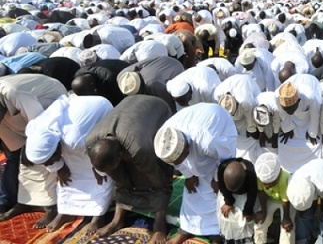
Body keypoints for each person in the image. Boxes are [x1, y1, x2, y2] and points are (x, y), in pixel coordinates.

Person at [86, 95, 174, 244]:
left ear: (121, 155)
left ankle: (159, 223)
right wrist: (120, 179)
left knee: (159, 176)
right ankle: (117, 220)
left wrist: (161, 189)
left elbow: (156, 177)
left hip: (157, 110)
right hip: (129, 109)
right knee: (121, 179)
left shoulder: (139, 147)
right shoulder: (91, 142)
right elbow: (118, 177)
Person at [24, 95, 114, 233]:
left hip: (100, 110)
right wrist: (58, 167)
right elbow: (46, 158)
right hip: (75, 116)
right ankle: (66, 211)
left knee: (98, 174)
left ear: (57, 148)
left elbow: (96, 152)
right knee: (66, 175)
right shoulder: (35, 132)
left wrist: (98, 169)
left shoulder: (75, 140)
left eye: (51, 160)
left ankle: (98, 216)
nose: (49, 165)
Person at [154, 103, 238, 244]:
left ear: (187, 148)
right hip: (195, 123)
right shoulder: (163, 143)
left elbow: (227, 156)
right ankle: (186, 230)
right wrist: (189, 175)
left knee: (216, 193)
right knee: (193, 191)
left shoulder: (208, 141)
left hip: (219, 126)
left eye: (182, 158)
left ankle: (216, 232)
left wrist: (218, 179)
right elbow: (177, 162)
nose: (180, 163)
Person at [0, 74, 67, 227]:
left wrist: (32, 148)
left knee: (40, 152)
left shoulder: (14, 92)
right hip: (16, 111)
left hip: (48, 100)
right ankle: (20, 201)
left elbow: (40, 126)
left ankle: (52, 206)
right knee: (15, 156)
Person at [275, 75, 322, 173]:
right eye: (286, 108)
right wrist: (287, 128)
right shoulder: (277, 96)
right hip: (295, 82)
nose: (288, 111)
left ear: (299, 101)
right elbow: (282, 112)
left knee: (313, 143)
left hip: (311, 83)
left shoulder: (311, 96)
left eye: (290, 108)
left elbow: (315, 115)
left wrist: (312, 132)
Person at [287, 158, 323, 244]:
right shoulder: (293, 182)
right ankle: (302, 241)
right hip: (309, 184)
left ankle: (322, 239)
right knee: (304, 216)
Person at [117, 55, 185, 112]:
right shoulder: (123, 75)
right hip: (162, 60)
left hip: (176, 67)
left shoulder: (153, 84)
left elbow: (168, 104)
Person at [254, 152, 295, 244]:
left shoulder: (285, 177)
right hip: (271, 199)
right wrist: (263, 212)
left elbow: (285, 200)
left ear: (278, 174)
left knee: (287, 228)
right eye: (265, 183)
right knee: (260, 224)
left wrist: (286, 218)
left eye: (271, 183)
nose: (267, 185)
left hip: (286, 203)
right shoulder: (260, 175)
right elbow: (261, 192)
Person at [217, 158, 259, 244]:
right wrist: (228, 202)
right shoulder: (222, 168)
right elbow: (222, 186)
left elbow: (252, 192)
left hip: (245, 195)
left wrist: (248, 211)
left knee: (245, 222)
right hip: (227, 195)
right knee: (227, 218)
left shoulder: (250, 171)